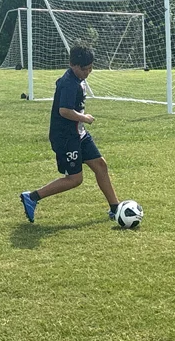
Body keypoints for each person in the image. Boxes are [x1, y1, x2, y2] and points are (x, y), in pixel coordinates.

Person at [20, 43, 120, 224]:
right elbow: (64, 111)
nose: (88, 72)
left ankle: (115, 208)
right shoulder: (68, 84)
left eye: (91, 68)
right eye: (85, 69)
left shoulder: (77, 80)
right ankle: (32, 197)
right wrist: (84, 117)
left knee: (100, 165)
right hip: (66, 137)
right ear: (74, 66)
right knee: (75, 179)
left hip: (79, 134)